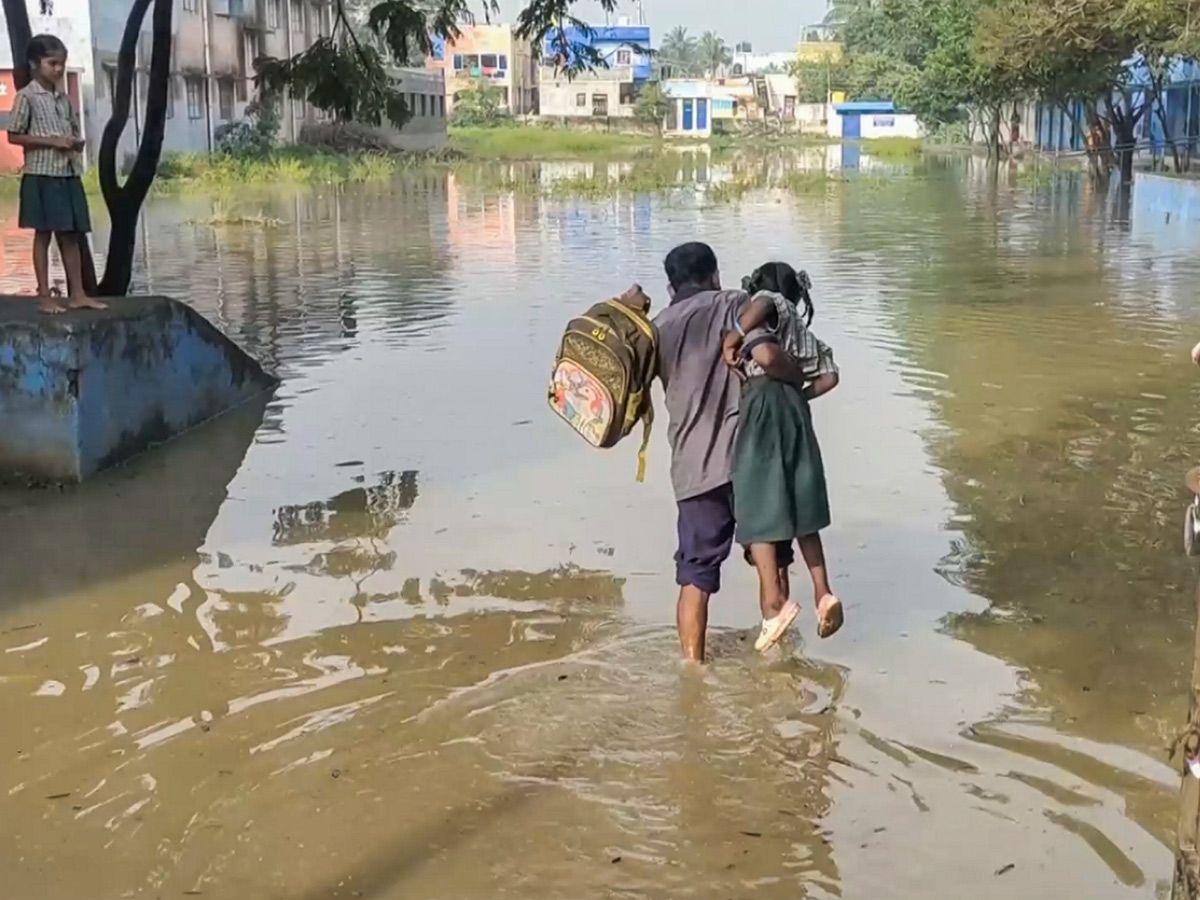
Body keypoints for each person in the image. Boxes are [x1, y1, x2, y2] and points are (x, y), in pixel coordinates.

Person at [653, 243, 811, 662]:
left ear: (671, 287)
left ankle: (692, 671)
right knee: (772, 563)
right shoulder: (735, 305)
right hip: (751, 457)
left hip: (692, 465)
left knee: (695, 576)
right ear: (716, 275)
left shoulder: (658, 326)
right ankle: (776, 663)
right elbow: (766, 355)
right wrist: (800, 379)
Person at [722, 262, 842, 651]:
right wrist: (799, 396)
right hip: (796, 410)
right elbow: (829, 376)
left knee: (755, 501)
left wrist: (733, 335)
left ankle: (775, 603)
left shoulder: (767, 306)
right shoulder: (803, 332)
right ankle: (823, 593)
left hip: (763, 402)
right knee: (801, 501)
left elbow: (761, 308)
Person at [6, 34, 104, 314]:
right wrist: (52, 142)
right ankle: (45, 296)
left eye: (62, 64)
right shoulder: (27, 97)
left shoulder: (63, 98)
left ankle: (78, 293)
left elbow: (70, 130)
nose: (59, 69)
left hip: (67, 173)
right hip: (41, 175)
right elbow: (14, 135)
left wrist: (74, 142)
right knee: (43, 235)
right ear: (35, 64)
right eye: (52, 63)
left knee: (70, 235)